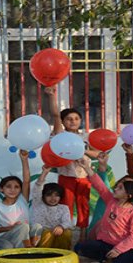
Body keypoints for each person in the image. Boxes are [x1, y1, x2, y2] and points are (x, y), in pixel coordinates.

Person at [73, 155, 133, 263]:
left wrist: (118, 250)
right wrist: (87, 168)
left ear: (129, 195)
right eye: (117, 186)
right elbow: (100, 186)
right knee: (80, 248)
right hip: (106, 244)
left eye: (120, 188)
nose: (115, 188)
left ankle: (126, 258)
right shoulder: (111, 201)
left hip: (125, 247)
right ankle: (108, 258)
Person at [45, 86, 100, 240]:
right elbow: (55, 114)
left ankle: (83, 236)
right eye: (69, 119)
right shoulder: (60, 135)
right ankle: (66, 237)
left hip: (84, 176)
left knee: (83, 206)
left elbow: (97, 154)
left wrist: (83, 150)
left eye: (76, 118)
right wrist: (51, 96)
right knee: (65, 206)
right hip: (66, 176)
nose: (73, 121)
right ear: (63, 122)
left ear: (80, 121)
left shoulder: (86, 137)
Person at [0, 150, 42, 248]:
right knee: (23, 227)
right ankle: (25, 252)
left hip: (24, 236)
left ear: (20, 190)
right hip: (6, 238)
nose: (12, 190)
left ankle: (31, 247)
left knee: (37, 226)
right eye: (8, 187)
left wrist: (24, 160)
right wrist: (10, 228)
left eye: (16, 187)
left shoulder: (22, 201)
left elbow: (26, 181)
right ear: (1, 189)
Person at [32, 166, 74, 250]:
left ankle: (63, 255)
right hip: (43, 240)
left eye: (56, 195)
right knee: (47, 233)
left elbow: (67, 222)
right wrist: (44, 173)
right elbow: (38, 187)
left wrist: (61, 227)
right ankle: (43, 256)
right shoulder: (38, 204)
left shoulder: (64, 208)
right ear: (43, 196)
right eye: (49, 195)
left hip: (58, 239)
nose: (53, 198)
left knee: (67, 233)